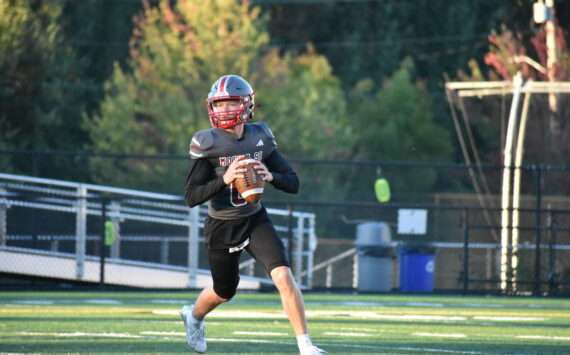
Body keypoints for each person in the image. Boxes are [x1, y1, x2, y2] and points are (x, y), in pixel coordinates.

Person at [181, 74, 327, 355]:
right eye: (219, 104)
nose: (224, 110)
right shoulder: (207, 143)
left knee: (284, 275)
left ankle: (305, 345)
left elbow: (293, 183)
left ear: (247, 105)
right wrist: (225, 179)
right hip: (222, 225)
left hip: (255, 219)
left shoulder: (260, 137)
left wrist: (270, 175)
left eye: (230, 103)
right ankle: (194, 316)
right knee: (224, 291)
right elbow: (191, 196)